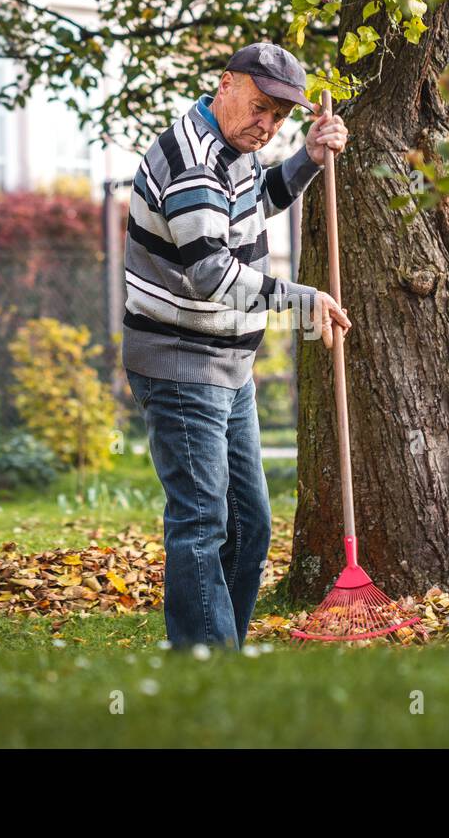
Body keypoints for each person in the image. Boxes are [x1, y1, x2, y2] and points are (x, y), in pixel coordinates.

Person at [122, 41, 350, 650]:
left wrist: (307, 158)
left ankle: (220, 648)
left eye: (279, 116)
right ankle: (207, 664)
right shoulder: (193, 160)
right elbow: (212, 275)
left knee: (249, 526)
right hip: (179, 363)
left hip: (228, 366)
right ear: (226, 84)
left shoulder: (234, 146)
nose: (267, 125)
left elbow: (257, 201)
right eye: (260, 107)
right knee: (203, 524)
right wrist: (302, 300)